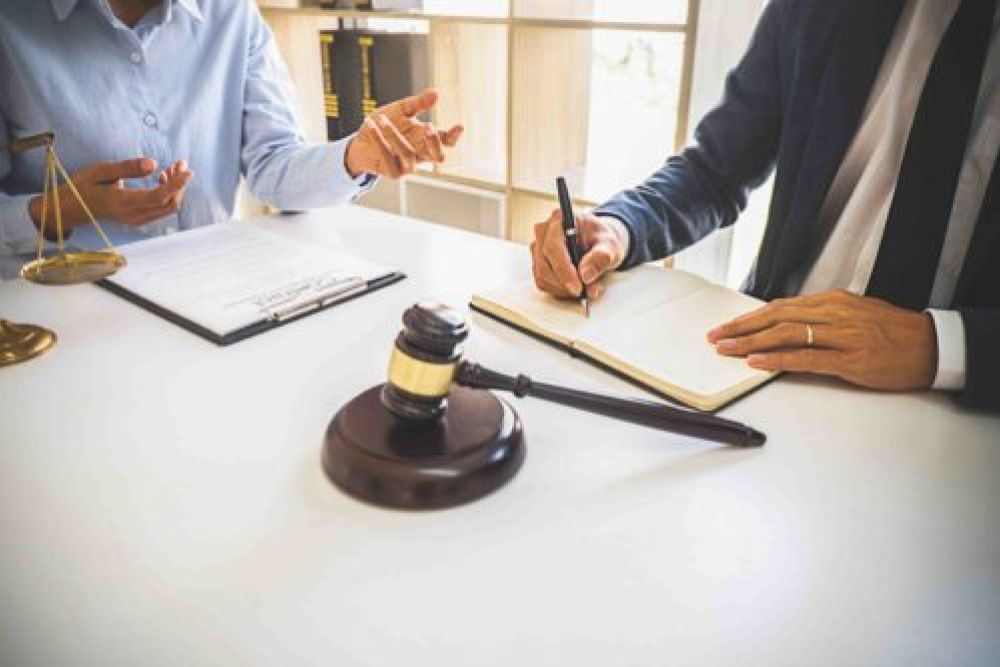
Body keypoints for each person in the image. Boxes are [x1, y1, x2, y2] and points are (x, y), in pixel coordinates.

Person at [530, 0, 1000, 412]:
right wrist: (618, 226)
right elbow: (716, 169)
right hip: (762, 366)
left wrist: (940, 347)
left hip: (953, 420)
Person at [0, 0, 463, 251]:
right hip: (61, 316)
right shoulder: (11, 24)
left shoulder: (234, 14)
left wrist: (354, 156)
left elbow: (273, 167)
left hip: (213, 296)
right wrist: (64, 209)